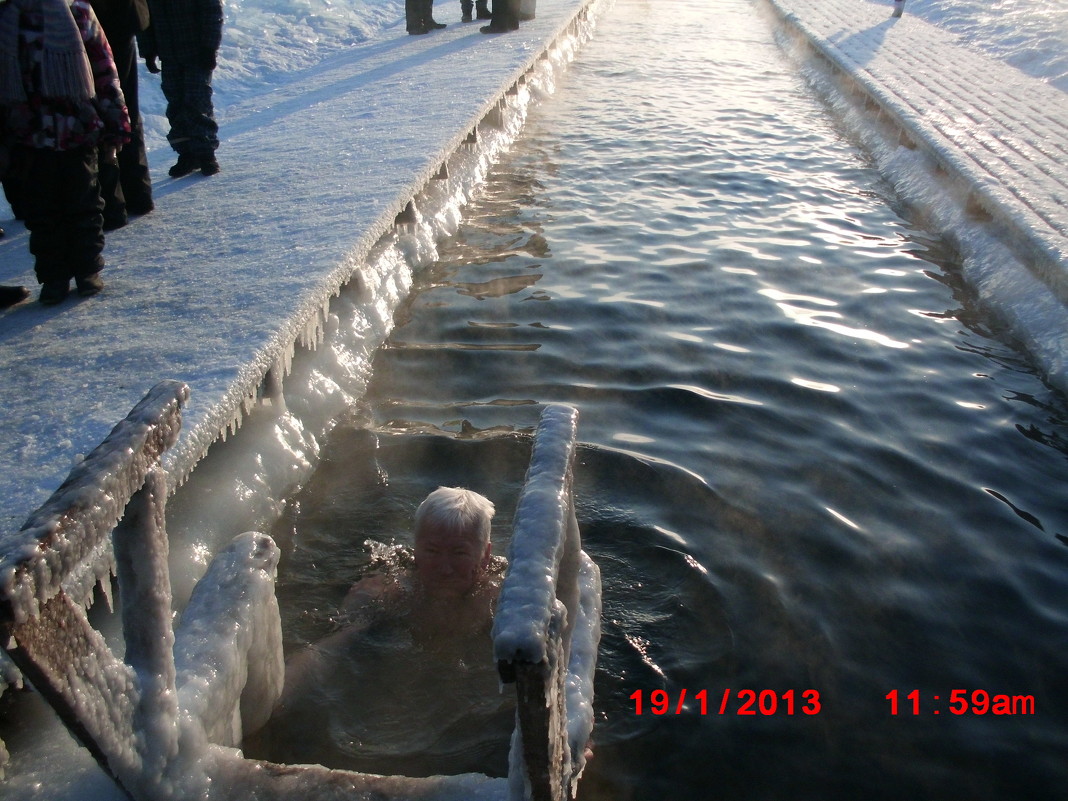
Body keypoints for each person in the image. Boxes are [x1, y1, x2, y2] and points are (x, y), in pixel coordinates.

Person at [245, 487, 514, 776]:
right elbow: (331, 646)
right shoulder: (390, 592)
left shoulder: (501, 600)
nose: (444, 568)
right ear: (416, 548)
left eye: (459, 553)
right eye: (432, 551)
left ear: (485, 555)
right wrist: (275, 697)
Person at [0, 0, 131, 305]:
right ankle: (54, 277)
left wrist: (116, 120)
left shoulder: (77, 10)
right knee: (42, 214)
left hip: (77, 129)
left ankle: (87, 271)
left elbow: (103, 67)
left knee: (84, 205)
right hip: (29, 134)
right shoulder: (8, 18)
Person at [138, 0, 222, 177]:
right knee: (175, 102)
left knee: (197, 100)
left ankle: (206, 152)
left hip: (197, 53)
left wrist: (209, 47)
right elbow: (145, 17)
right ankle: (187, 153)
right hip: (168, 55)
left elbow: (212, 12)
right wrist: (148, 50)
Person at [89, 0, 152, 230]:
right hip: (120, 17)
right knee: (124, 107)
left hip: (94, 21)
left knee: (99, 110)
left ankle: (113, 203)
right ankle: (137, 193)